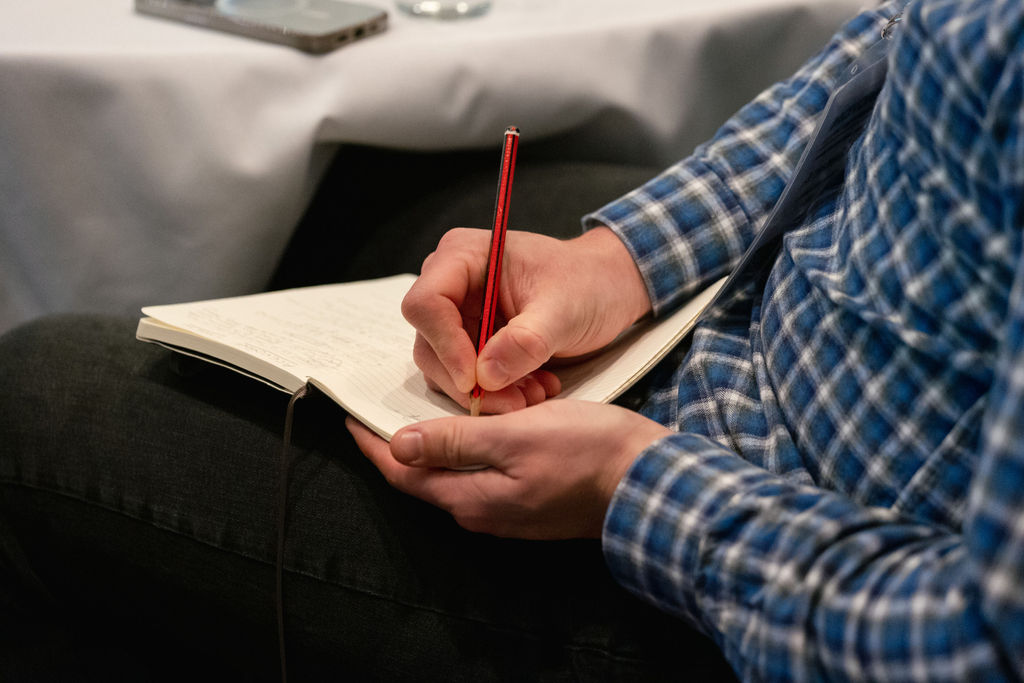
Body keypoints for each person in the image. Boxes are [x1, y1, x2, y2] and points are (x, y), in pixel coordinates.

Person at [1, 0, 1022, 680]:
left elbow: (979, 646)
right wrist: (621, 261)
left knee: (33, 394)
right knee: (387, 202)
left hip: (778, 572)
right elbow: (893, 55)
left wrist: (629, 486)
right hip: (756, 335)